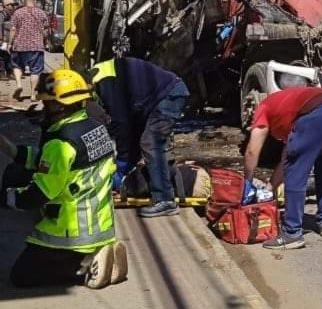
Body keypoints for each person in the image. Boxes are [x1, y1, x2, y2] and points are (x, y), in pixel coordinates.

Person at [1, 69, 126, 289]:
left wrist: (6, 199)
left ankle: (83, 269)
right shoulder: (94, 128)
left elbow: (39, 193)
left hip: (70, 233)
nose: (45, 110)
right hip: (99, 226)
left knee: (22, 276)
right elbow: (51, 162)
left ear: (61, 105)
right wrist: (11, 150)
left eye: (48, 104)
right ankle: (98, 254)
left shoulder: (60, 143)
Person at [243, 87, 322, 249]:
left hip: (317, 114)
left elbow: (252, 151)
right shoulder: (288, 107)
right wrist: (271, 187)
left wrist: (248, 182)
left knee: (296, 175)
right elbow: (286, 157)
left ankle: (292, 232)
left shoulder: (263, 107)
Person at [90, 57, 189, 218]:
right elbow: (127, 126)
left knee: (151, 143)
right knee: (146, 142)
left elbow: (122, 123)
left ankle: (165, 200)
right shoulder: (101, 73)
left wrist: (121, 165)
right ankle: (162, 179)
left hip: (168, 95)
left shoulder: (105, 83)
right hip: (159, 96)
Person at [8, 0, 48, 101]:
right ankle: (33, 94)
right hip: (36, 46)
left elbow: (13, 29)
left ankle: (19, 85)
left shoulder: (17, 12)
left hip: (19, 45)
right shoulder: (41, 13)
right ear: (34, 1)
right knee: (35, 71)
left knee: (17, 66)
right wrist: (45, 41)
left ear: (24, 1)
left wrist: (10, 43)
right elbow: (45, 31)